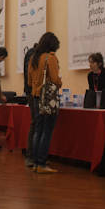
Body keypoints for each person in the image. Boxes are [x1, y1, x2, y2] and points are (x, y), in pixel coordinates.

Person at [27, 32, 61, 173]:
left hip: (35, 96)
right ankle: (41, 163)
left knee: (38, 130)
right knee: (47, 131)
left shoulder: (33, 58)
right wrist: (60, 82)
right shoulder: (50, 58)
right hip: (47, 98)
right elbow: (54, 79)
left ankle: (35, 162)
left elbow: (29, 82)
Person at [23, 43, 37, 167]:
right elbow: (31, 76)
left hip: (31, 91)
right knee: (35, 122)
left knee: (35, 122)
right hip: (34, 92)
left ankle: (32, 155)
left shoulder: (30, 53)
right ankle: (31, 155)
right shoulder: (34, 55)